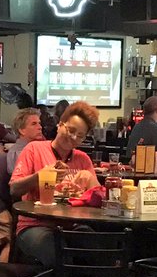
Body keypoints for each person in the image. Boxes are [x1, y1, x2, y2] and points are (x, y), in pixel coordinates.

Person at [9, 101, 100, 268]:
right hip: (34, 225)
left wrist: (90, 179)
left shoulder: (83, 159)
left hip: (72, 225)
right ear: (60, 125)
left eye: (80, 135)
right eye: (71, 130)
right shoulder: (34, 149)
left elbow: (99, 201)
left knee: (98, 251)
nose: (73, 137)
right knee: (59, 254)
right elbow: (14, 188)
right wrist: (42, 175)